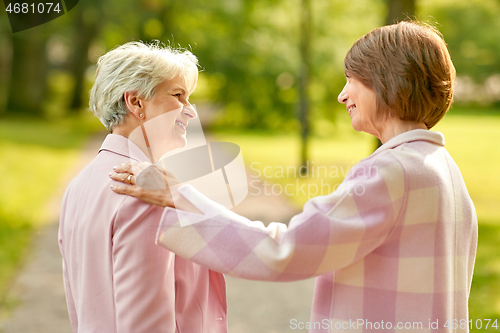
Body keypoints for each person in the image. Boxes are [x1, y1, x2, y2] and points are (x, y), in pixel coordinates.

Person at [111, 22, 477, 332]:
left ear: (387, 81)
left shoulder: (391, 172)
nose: (341, 94)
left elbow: (283, 251)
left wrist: (180, 196)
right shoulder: (443, 169)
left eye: (352, 80)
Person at [59, 41, 227, 333]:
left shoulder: (78, 185)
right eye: (178, 96)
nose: (191, 111)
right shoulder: (144, 192)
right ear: (136, 102)